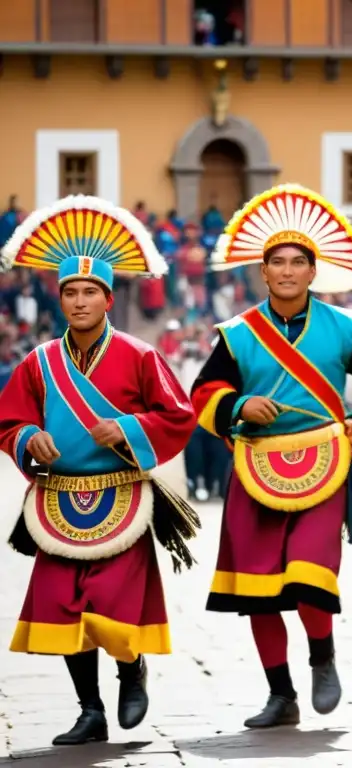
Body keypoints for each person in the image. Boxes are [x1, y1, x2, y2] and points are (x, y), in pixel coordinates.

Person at [190, 184, 352, 729]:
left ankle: (323, 659)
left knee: (310, 574)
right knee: (258, 590)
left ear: (313, 271)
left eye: (297, 263)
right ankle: (280, 695)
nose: (286, 271)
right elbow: (202, 397)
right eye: (276, 263)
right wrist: (237, 405)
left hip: (325, 463)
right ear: (263, 272)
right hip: (255, 465)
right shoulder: (235, 334)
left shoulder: (344, 327)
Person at [0, 196, 200, 745]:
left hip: (122, 499)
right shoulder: (37, 363)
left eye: (90, 291)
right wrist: (26, 438)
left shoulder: (139, 355)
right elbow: (7, 420)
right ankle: (90, 710)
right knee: (66, 608)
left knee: (113, 603)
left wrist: (131, 429)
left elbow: (177, 415)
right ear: (59, 298)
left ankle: (131, 672)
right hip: (58, 501)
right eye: (71, 292)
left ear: (108, 299)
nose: (80, 300)